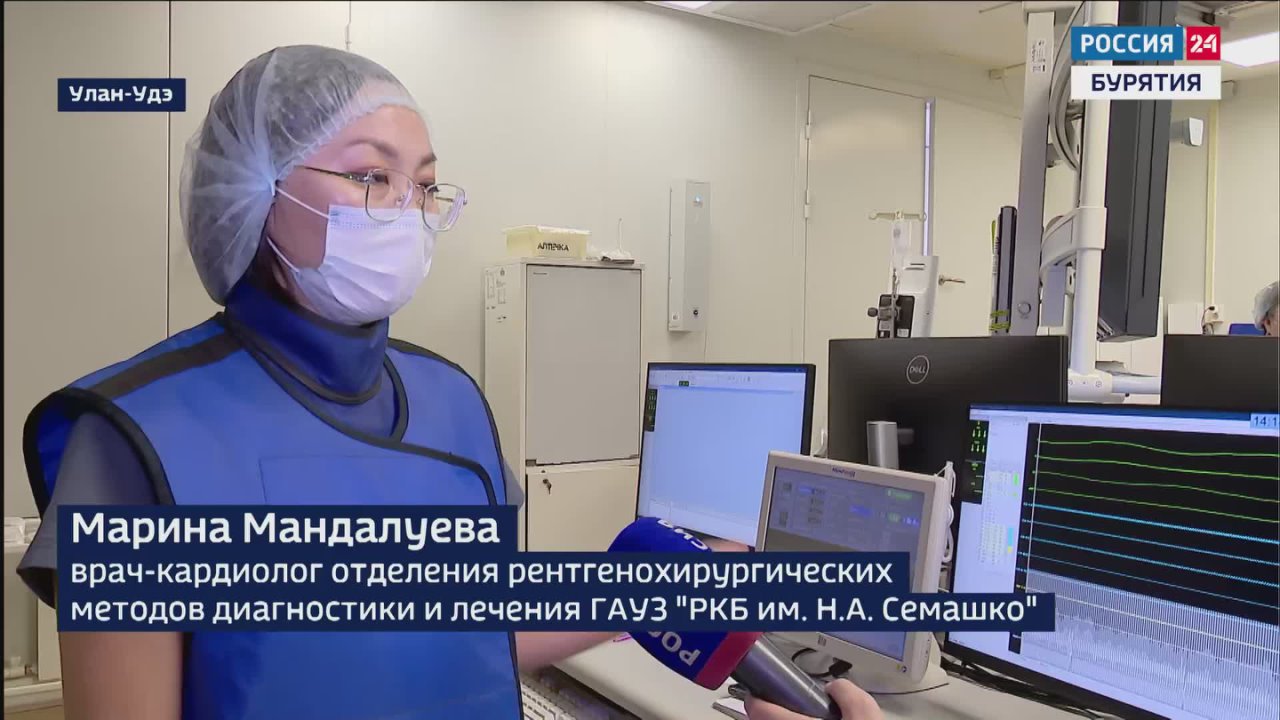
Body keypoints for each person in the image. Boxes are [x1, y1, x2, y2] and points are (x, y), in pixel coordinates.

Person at [18, 46, 881, 720]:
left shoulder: (449, 402)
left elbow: (469, 628)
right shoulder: (139, 437)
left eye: (425, 185)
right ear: (252, 191)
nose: (407, 210)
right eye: (371, 177)